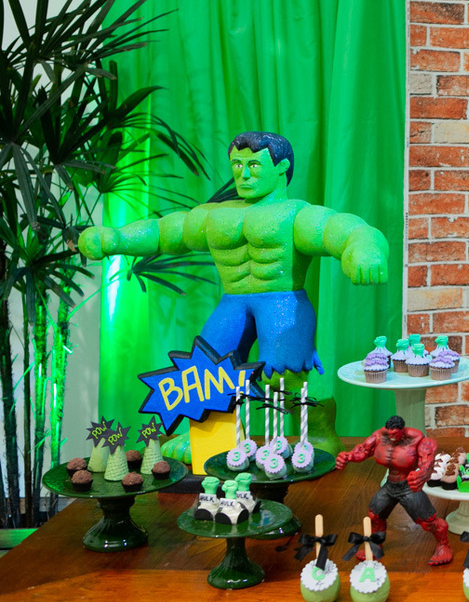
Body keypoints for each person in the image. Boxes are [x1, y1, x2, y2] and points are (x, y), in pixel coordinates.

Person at [78, 131, 388, 459]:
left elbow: (343, 229)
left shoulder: (296, 214)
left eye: (254, 165)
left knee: (286, 374)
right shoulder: (217, 216)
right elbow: (165, 231)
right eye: (238, 165)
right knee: (207, 370)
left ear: (282, 167)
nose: (244, 174)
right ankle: (213, 439)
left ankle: (322, 436)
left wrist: (364, 249)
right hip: (233, 302)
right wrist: (115, 238)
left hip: (282, 299)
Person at [334, 415, 452, 566]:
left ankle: (443, 545)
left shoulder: (418, 440)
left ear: (402, 430)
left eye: (395, 434)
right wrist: (347, 457)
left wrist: (421, 475)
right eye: (389, 434)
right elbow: (363, 451)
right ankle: (376, 545)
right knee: (374, 516)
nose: (392, 438)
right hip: (390, 485)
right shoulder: (379, 436)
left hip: (407, 487)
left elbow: (427, 464)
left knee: (428, 522)